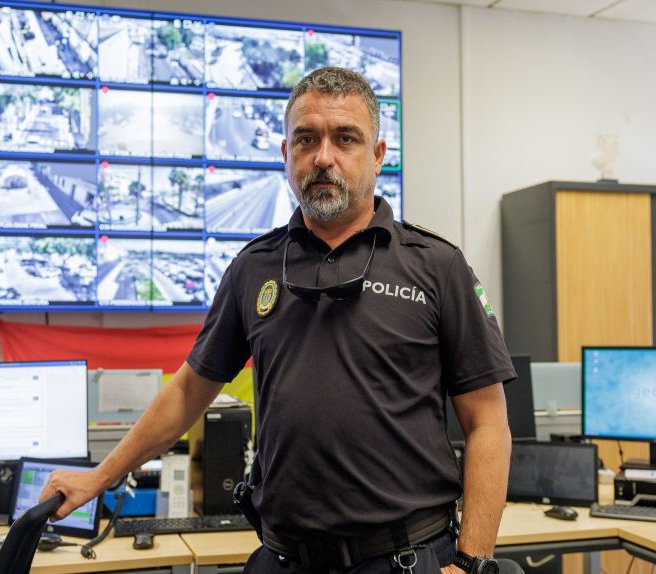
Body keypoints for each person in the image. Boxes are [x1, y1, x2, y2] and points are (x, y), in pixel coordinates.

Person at [40, 67, 516, 574]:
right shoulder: (255, 267)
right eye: (306, 140)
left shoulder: (435, 265)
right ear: (287, 155)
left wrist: (473, 561)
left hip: (404, 558)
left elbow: (487, 420)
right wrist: (99, 477)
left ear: (377, 154)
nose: (324, 157)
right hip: (282, 558)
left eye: (346, 139)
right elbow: (187, 393)